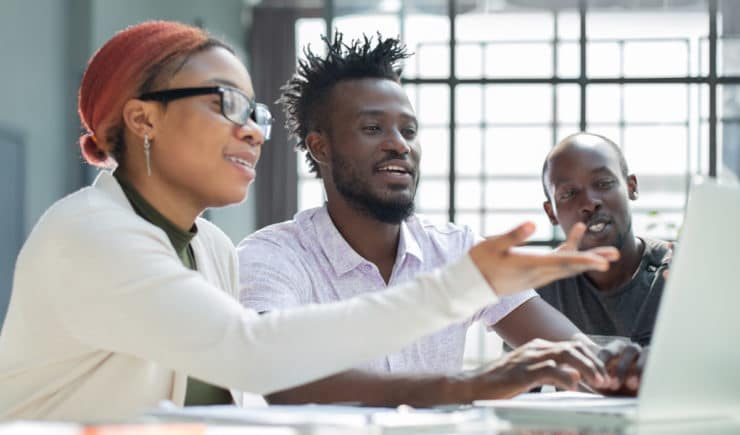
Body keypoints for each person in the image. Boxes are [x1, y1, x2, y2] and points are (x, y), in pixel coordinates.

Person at [0, 21, 616, 421]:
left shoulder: (208, 246)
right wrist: (467, 325)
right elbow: (260, 359)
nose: (250, 129)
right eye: (225, 105)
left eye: (255, 112)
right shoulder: (90, 235)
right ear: (143, 121)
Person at [237, 34, 633, 407]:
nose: (399, 144)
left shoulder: (456, 248)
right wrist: (468, 385)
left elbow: (582, 361)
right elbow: (280, 376)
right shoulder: (273, 256)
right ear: (320, 147)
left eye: (408, 130)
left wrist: (625, 370)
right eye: (373, 128)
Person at [539, 132, 672, 352]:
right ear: (551, 212)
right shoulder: (540, 288)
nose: (590, 203)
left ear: (631, 187)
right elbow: (521, 384)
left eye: (603, 183)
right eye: (569, 193)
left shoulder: (677, 276)